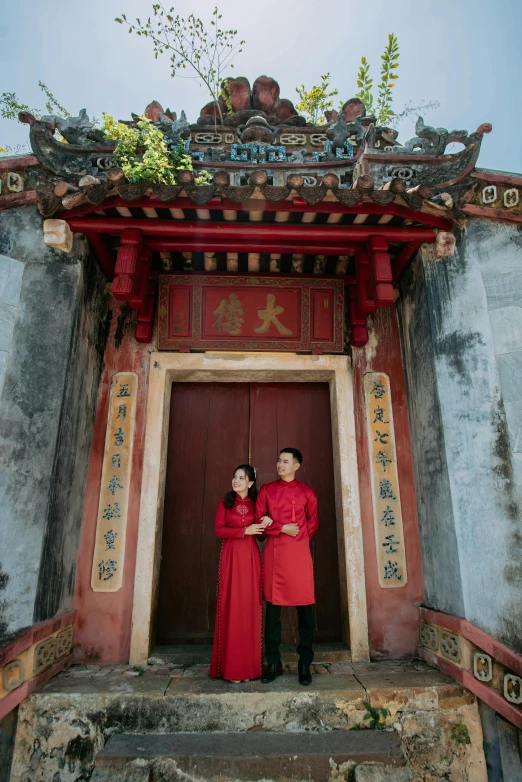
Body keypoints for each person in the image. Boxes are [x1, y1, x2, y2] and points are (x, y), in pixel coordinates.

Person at [256, 448, 318, 686]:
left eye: (285, 461)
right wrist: (281, 528)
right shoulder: (267, 491)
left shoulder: (307, 493)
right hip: (275, 556)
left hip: (300, 557)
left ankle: (305, 663)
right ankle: (273, 662)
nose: (280, 465)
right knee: (272, 613)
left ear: (296, 465)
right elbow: (259, 521)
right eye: (278, 460)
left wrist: (300, 538)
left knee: (305, 613)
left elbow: (313, 521)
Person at [209, 464, 267, 683]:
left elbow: (261, 536)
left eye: (241, 478)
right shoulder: (225, 503)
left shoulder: (256, 504)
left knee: (249, 606)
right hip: (231, 557)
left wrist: (266, 522)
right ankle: (230, 668)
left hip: (251, 558)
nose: (236, 481)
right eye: (234, 477)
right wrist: (244, 530)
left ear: (250, 483)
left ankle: (249, 668)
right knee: (231, 604)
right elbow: (219, 530)